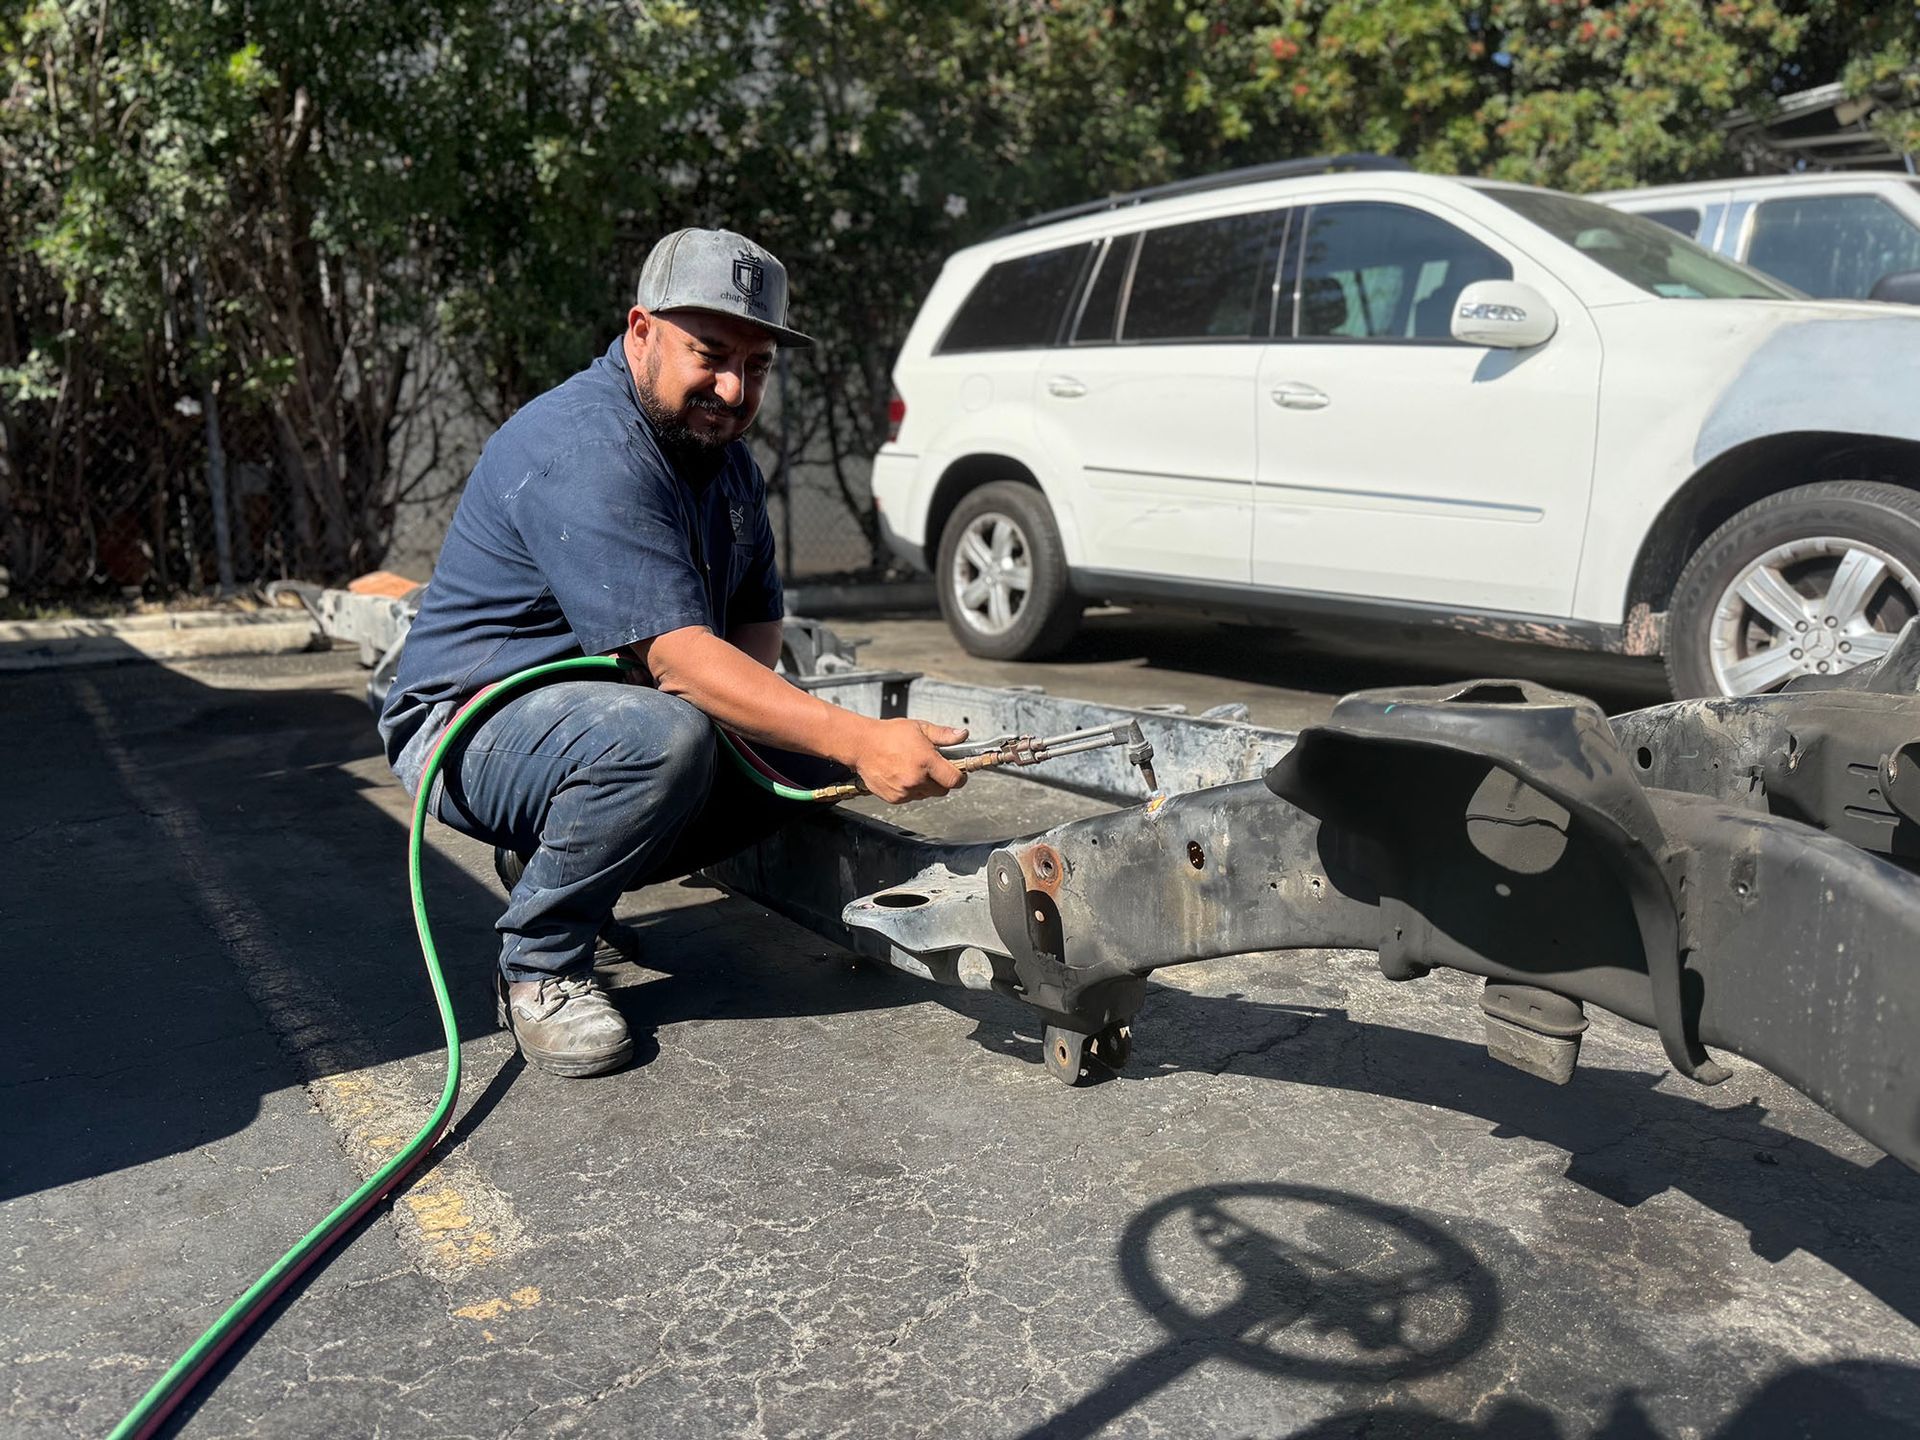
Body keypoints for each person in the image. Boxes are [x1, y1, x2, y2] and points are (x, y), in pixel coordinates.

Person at [379, 227, 967, 1077]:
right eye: (711, 353)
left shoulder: (723, 464)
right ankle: (538, 967)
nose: (732, 388)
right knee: (668, 739)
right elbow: (681, 660)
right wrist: (859, 740)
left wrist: (797, 738)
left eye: (757, 365)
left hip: (600, 718)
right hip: (468, 726)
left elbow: (754, 629)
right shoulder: (585, 444)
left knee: (785, 750)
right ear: (640, 331)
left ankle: (551, 855)